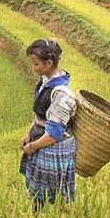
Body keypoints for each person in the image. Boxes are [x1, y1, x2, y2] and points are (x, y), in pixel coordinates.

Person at [19, 38, 77, 208]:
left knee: (52, 197)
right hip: (40, 139)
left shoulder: (62, 94)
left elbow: (54, 134)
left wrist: (33, 146)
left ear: (49, 63)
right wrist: (29, 133)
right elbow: (41, 114)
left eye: (36, 64)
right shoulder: (45, 81)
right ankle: (38, 216)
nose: (34, 68)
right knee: (38, 194)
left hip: (52, 147)